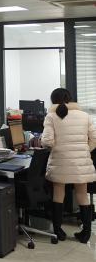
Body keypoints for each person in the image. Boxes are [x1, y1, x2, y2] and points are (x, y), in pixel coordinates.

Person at [42, 87, 96, 243]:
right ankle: (86, 233)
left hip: (60, 161)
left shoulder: (51, 116)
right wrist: (84, 150)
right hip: (81, 162)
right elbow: (94, 138)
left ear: (53, 100)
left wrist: (55, 148)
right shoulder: (84, 115)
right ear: (70, 99)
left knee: (58, 194)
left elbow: (47, 141)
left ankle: (58, 231)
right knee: (82, 195)